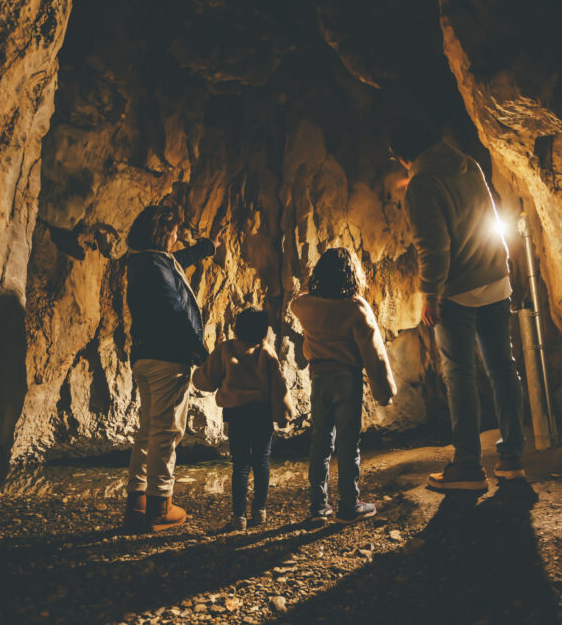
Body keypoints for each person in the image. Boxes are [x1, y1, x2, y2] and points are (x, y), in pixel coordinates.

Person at [389, 118, 527, 492]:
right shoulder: (469, 164)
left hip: (458, 292)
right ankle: (512, 458)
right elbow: (489, 216)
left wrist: (428, 294)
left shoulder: (421, 184)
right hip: (496, 278)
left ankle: (467, 466)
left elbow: (434, 248)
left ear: (402, 155)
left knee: (460, 375)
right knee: (503, 368)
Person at [124, 205, 217, 532]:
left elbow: (177, 261)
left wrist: (205, 249)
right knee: (166, 431)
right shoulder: (153, 266)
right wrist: (199, 350)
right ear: (162, 233)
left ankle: (137, 503)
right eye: (174, 231)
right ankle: (160, 507)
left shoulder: (142, 260)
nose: (177, 236)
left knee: (148, 431)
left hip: (146, 355)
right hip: (168, 358)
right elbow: (175, 309)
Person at [290, 248, 397, 524]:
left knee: (320, 442)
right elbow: (375, 353)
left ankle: (319, 506)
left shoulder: (306, 306)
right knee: (349, 444)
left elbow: (296, 300)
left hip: (319, 378)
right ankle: (350, 504)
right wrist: (385, 392)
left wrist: (309, 285)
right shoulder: (356, 307)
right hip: (346, 380)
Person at [192, 308, 292, 531]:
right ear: (263, 331)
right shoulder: (266, 351)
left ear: (236, 328)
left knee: (240, 465)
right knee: (262, 461)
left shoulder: (225, 350)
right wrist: (284, 415)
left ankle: (239, 517)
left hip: (237, 414)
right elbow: (279, 385)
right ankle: (260, 511)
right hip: (262, 413)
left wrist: (196, 375)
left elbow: (206, 380)